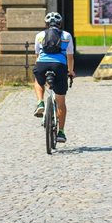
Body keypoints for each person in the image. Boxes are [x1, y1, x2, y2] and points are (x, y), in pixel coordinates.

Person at [32, 11, 75, 143]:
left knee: (38, 81)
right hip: (59, 67)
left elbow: (37, 55)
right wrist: (70, 71)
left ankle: (40, 102)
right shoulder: (67, 36)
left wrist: (39, 68)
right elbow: (70, 57)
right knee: (60, 101)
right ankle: (61, 132)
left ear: (46, 23)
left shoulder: (40, 35)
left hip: (42, 65)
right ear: (60, 23)